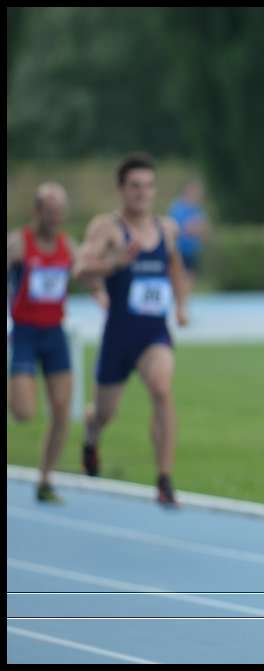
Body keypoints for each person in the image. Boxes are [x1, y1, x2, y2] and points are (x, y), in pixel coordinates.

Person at [73, 153, 189, 506]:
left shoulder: (166, 229)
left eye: (149, 186)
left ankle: (164, 478)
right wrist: (114, 263)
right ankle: (92, 435)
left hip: (154, 334)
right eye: (135, 186)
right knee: (104, 413)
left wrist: (181, 305)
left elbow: (175, 267)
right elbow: (80, 270)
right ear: (121, 189)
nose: (142, 193)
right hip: (119, 335)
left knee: (162, 389)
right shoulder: (107, 228)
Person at [7, 183, 81, 503]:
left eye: (60, 212)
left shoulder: (68, 246)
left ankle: (46, 479)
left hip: (55, 334)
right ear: (37, 211)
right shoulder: (18, 243)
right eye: (50, 212)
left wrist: (101, 290)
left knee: (62, 410)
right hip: (25, 332)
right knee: (24, 412)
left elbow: (86, 273)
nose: (55, 218)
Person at [167, 180, 209, 296]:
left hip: (192, 251)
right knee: (178, 279)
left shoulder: (197, 209)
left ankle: (184, 301)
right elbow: (176, 229)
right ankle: (178, 300)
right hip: (179, 251)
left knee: (190, 280)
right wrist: (192, 229)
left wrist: (199, 231)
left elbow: (204, 229)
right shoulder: (177, 208)